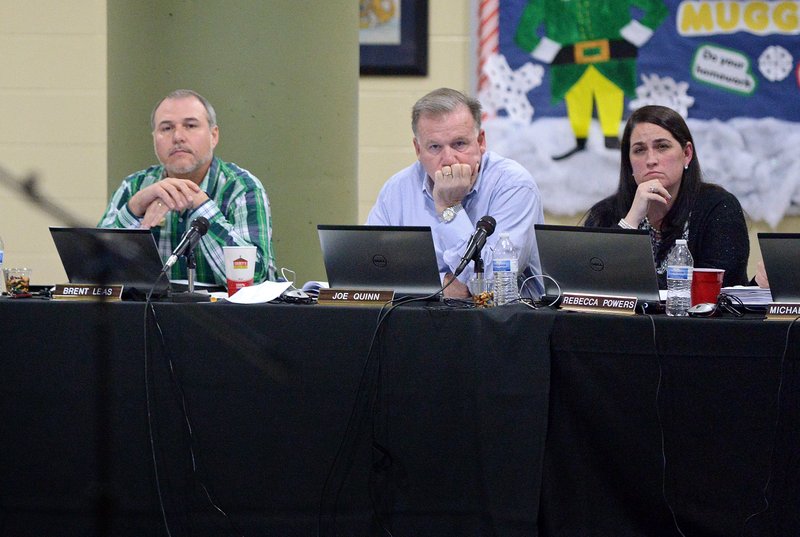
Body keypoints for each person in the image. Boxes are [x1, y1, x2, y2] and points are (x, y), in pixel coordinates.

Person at [367, 87, 544, 298]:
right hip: (415, 320)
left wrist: (449, 208)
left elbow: (495, 284)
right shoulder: (396, 190)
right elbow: (373, 271)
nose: (449, 159)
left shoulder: (513, 186)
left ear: (480, 142)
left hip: (500, 324)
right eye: (434, 147)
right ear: (417, 149)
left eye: (459, 144)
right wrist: (441, 287)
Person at [99, 89, 277, 285]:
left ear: (214, 136)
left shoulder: (242, 188)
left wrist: (202, 208)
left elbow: (254, 275)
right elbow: (95, 273)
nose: (178, 137)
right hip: (149, 314)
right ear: (154, 138)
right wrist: (133, 209)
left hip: (227, 314)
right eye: (166, 128)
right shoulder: (134, 187)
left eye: (190, 126)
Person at [584, 104, 749, 289]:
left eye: (662, 147)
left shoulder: (719, 207)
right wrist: (631, 220)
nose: (651, 160)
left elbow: (716, 286)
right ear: (629, 162)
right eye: (639, 150)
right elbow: (593, 282)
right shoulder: (604, 214)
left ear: (687, 154)